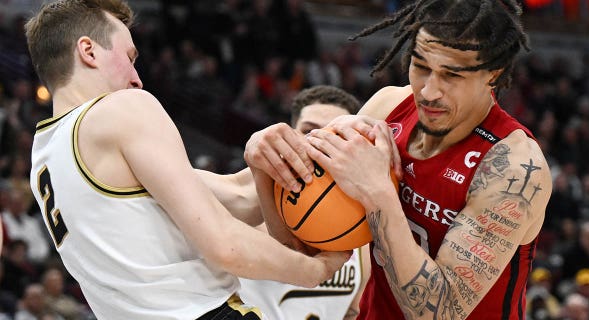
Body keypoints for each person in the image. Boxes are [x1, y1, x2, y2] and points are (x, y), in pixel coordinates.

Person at [25, 1, 349, 319]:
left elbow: (236, 198)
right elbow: (224, 245)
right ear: (88, 50)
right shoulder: (123, 109)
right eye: (129, 57)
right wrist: (313, 270)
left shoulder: (45, 157)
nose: (137, 78)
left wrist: (281, 155)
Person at [244, 0, 552, 319]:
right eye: (421, 66)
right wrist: (263, 168)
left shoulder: (513, 168)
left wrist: (378, 193)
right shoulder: (388, 108)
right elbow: (304, 249)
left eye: (452, 75)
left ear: (493, 75)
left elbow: (440, 312)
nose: (429, 91)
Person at [237, 85, 370, 320]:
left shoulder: (363, 236)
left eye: (333, 134)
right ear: (290, 135)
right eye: (309, 131)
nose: (319, 142)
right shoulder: (255, 201)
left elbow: (352, 311)